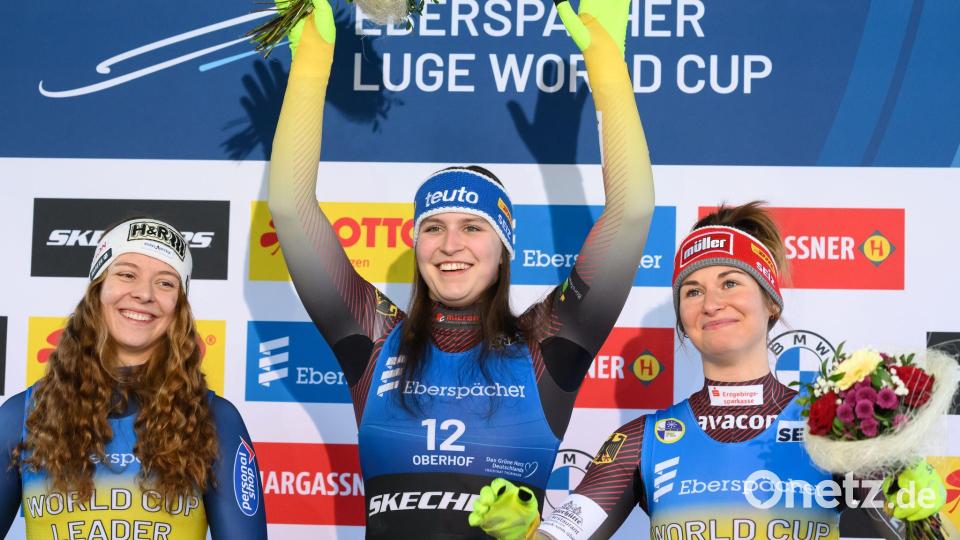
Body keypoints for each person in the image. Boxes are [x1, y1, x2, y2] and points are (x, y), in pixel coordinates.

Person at [266, 0, 653, 535]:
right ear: (417, 242)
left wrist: (607, 64)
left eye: (473, 228)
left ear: (503, 250)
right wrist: (311, 64)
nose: (451, 244)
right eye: (433, 227)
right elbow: (289, 207)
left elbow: (631, 213)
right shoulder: (376, 338)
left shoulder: (545, 344)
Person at [469, 202, 947, 540]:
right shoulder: (644, 440)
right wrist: (525, 532)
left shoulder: (835, 431)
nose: (712, 302)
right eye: (692, 291)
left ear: (771, 302)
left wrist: (914, 503)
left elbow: (913, 529)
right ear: (683, 320)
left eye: (730, 282)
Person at [0, 218, 268, 539]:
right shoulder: (23, 415)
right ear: (98, 289)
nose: (144, 294)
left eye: (166, 283)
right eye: (127, 274)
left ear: (179, 307)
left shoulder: (214, 419)